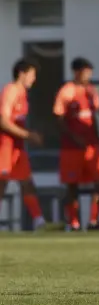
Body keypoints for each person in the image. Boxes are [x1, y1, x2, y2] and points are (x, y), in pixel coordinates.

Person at [53, 58, 99, 230]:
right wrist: (73, 137)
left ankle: (93, 220)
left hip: (92, 146)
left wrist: (98, 139)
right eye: (85, 72)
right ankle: (74, 222)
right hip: (72, 147)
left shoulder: (91, 91)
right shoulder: (66, 91)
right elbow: (59, 118)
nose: (88, 76)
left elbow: (93, 118)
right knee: (72, 185)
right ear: (76, 72)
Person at [0, 59, 46, 231]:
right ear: (22, 73)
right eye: (32, 74)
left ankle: (39, 221)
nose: (33, 79)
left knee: (26, 182)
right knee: (2, 184)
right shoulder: (11, 90)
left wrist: (28, 135)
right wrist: (29, 135)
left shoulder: (23, 94)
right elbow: (3, 121)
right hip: (4, 145)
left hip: (17, 147)